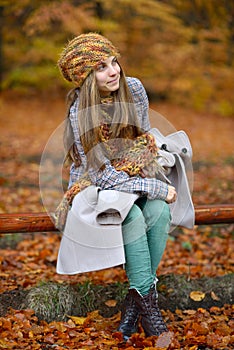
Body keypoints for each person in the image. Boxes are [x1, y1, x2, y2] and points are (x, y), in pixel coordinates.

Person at [55, 32, 193, 340]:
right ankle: (150, 310)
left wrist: (150, 184)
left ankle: (136, 302)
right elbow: (101, 174)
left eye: (113, 61)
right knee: (129, 215)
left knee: (158, 211)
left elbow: (143, 143)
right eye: (101, 67)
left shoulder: (134, 89)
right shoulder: (80, 112)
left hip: (133, 174)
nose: (114, 70)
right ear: (86, 77)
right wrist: (155, 188)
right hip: (96, 184)